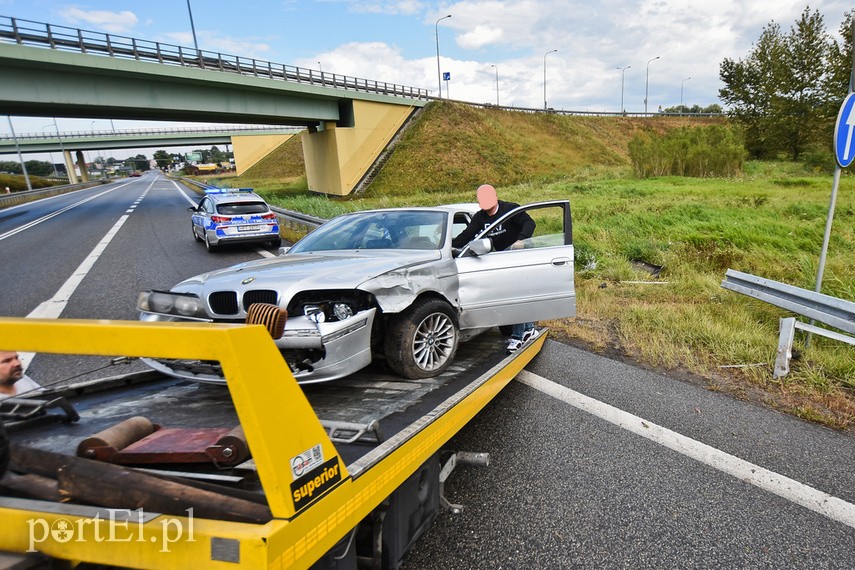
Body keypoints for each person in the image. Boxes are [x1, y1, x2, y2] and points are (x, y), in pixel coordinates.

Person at [452, 184, 539, 353]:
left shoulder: (510, 209)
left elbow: (530, 223)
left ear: (495, 196)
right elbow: (466, 235)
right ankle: (529, 329)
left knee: (515, 295)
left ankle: (517, 337)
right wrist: (449, 247)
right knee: (514, 295)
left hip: (520, 255)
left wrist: (521, 240)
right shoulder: (480, 217)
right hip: (502, 259)